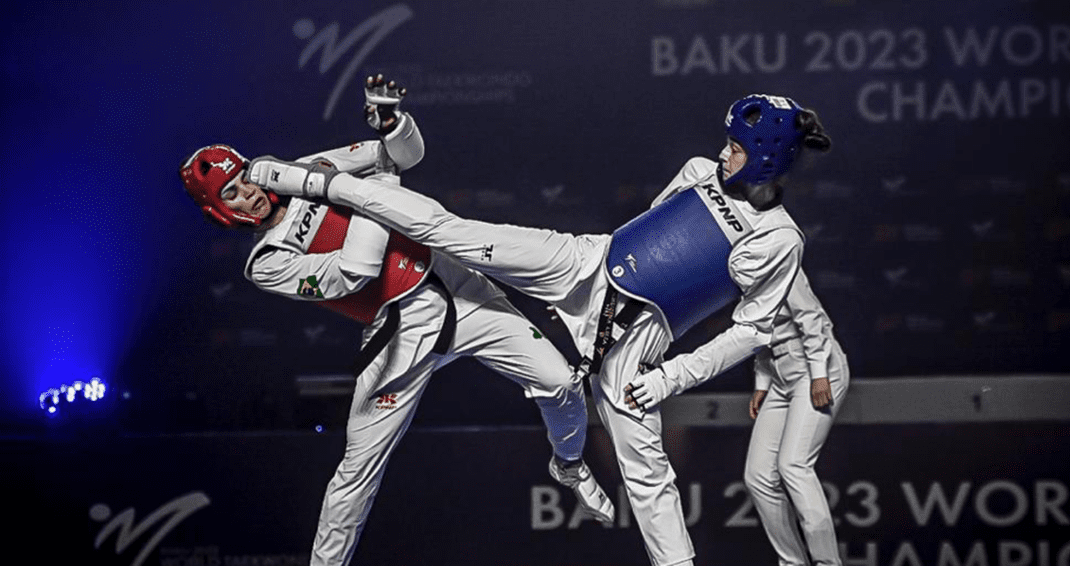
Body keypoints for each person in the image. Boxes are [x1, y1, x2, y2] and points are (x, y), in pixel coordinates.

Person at [246, 93, 837, 566]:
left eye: (736, 147)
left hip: (638, 347)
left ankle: (576, 468)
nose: (724, 152)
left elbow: (752, 330)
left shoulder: (779, 240)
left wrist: (669, 379)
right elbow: (648, 234)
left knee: (650, 479)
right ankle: (308, 181)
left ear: (766, 157)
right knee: (452, 230)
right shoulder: (699, 171)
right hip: (584, 263)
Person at [178, 76, 613, 566]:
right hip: (399, 332)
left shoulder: (304, 171)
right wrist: (372, 191)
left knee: (561, 383)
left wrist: (393, 126)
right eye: (232, 193)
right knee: (357, 471)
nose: (250, 193)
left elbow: (404, 157)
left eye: (246, 177)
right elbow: (354, 274)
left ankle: (570, 467)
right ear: (220, 211)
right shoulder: (267, 261)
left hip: (460, 288)